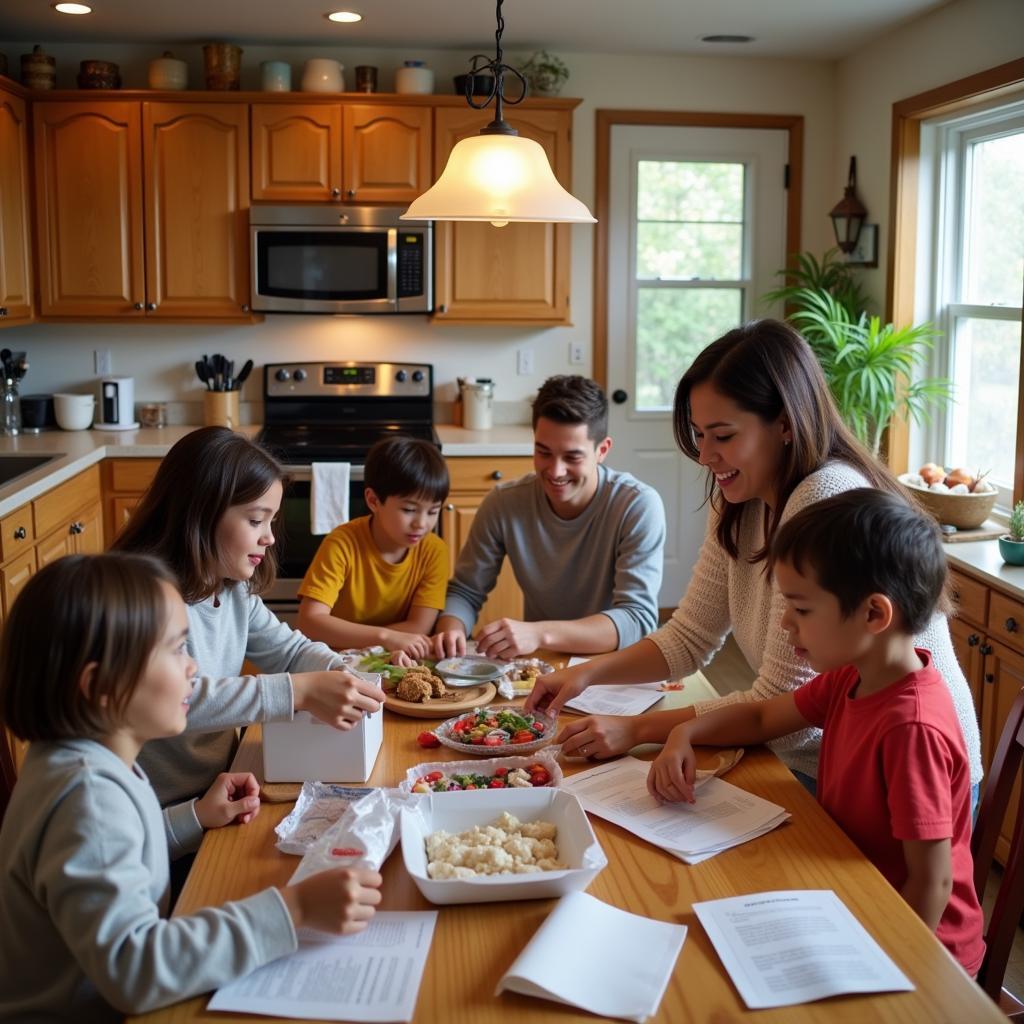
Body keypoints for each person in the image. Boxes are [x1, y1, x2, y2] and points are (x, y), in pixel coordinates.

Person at [530, 321, 983, 800]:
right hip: (820, 762)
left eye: (722, 436)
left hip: (896, 775)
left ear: (784, 423)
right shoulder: (739, 494)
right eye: (699, 434)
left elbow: (782, 713)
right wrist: (587, 673)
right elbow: (690, 637)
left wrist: (637, 729)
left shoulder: (822, 498)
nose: (705, 455)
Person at [0, 553, 383, 1021]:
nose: (194, 668)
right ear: (100, 685)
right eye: (176, 649)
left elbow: (117, 855)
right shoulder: (87, 797)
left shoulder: (84, 761)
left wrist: (195, 817)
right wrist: (294, 909)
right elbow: (133, 970)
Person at [647, 490, 985, 975]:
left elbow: (931, 885)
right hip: (850, 894)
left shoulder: (912, 727)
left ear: (874, 614)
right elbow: (762, 718)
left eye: (801, 609)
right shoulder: (855, 674)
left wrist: (880, 970)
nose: (784, 623)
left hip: (920, 950)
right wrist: (684, 733)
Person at [112, 427, 386, 852]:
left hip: (225, 789)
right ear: (200, 512)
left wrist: (343, 673)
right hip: (161, 821)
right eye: (256, 520)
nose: (270, 537)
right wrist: (296, 691)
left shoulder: (231, 588)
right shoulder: (143, 598)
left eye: (271, 521)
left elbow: (291, 649)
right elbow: (183, 699)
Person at [433, 374, 665, 660]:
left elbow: (637, 619)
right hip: (541, 662)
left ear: (602, 450)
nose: (555, 471)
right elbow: (466, 591)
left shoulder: (637, 505)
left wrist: (538, 633)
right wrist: (452, 628)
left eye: (572, 457)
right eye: (544, 452)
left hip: (611, 664)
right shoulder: (504, 503)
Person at [297, 435, 449, 660]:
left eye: (433, 511)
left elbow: (420, 626)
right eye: (408, 510)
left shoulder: (434, 551)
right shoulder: (342, 543)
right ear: (373, 501)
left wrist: (385, 640)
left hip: (399, 658)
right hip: (339, 659)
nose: (422, 523)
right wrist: (386, 638)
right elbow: (310, 622)